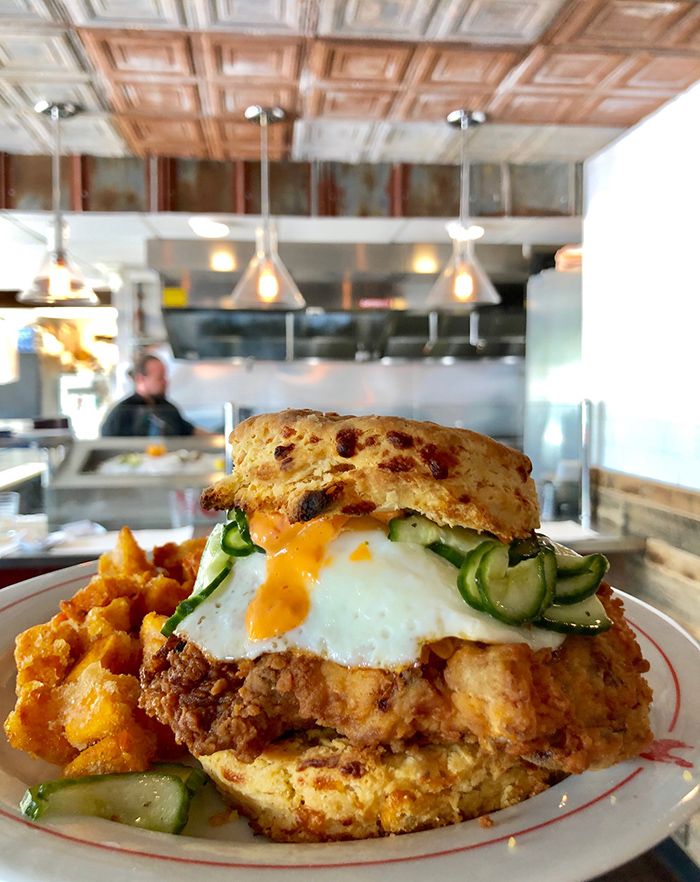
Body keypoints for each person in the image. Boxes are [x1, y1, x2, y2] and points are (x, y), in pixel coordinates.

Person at [101, 354, 206, 437]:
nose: (165, 382)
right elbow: (107, 445)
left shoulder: (168, 408)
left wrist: (219, 438)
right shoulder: (122, 413)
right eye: (160, 378)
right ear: (140, 380)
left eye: (165, 377)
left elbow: (189, 431)